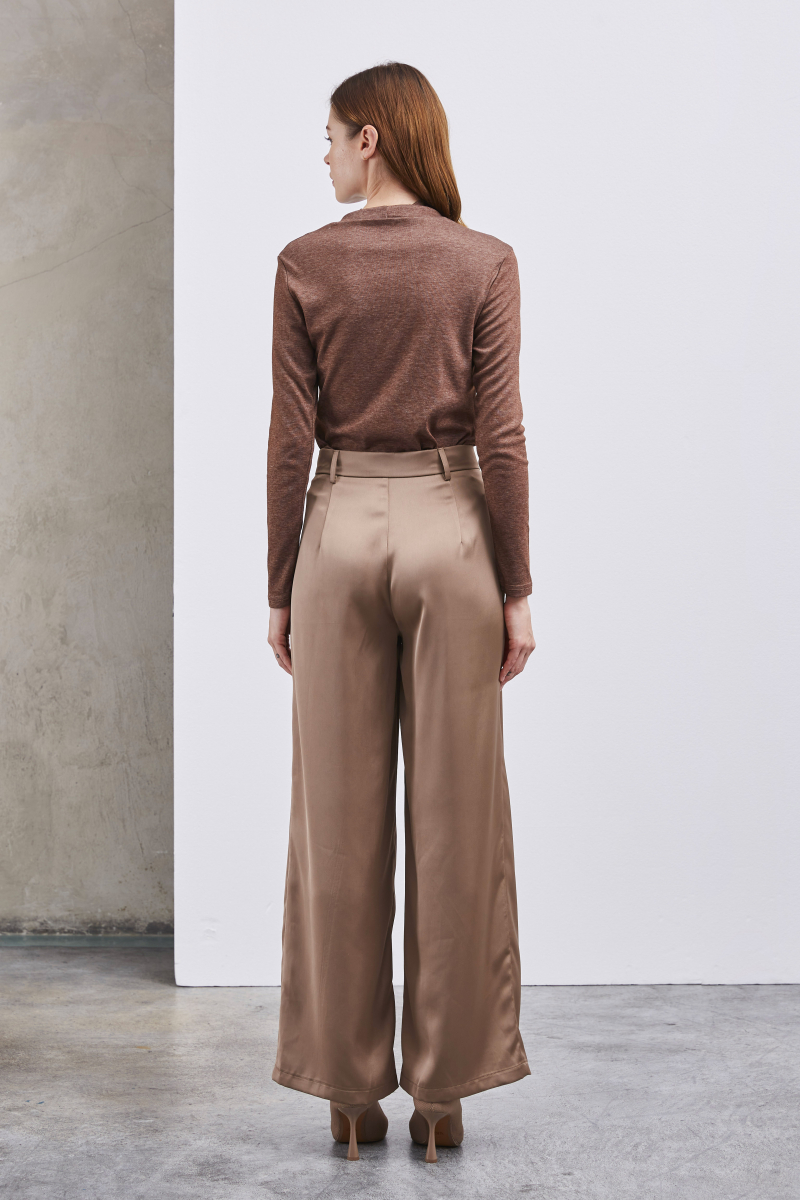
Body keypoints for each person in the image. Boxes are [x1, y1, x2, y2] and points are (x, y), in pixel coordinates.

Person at [266, 62, 536, 1164]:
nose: (324, 152)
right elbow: (502, 437)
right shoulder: (483, 261)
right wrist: (515, 588)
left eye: (332, 134)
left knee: (335, 823)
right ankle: (444, 1095)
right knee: (457, 819)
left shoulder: (303, 263)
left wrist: (279, 584)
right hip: (452, 528)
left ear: (370, 138)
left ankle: (345, 1095)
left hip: (336, 531)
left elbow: (289, 439)